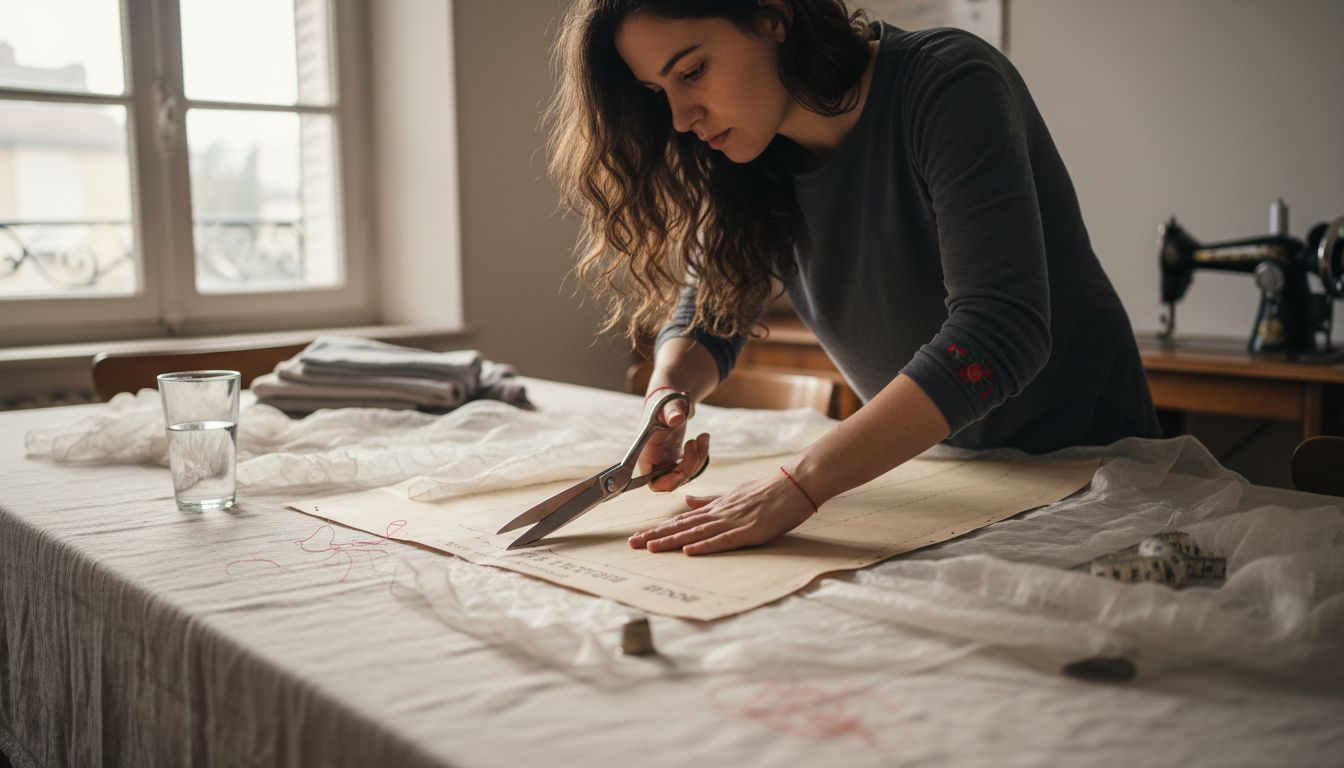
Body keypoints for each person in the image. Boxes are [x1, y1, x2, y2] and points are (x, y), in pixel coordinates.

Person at [544, 0, 1160, 555]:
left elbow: (999, 335)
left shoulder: (947, 82)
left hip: (1090, 472)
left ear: (773, 16)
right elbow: (710, 311)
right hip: (945, 476)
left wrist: (799, 483)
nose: (680, 117)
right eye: (658, 92)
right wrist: (667, 397)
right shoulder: (750, 150)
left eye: (693, 71)